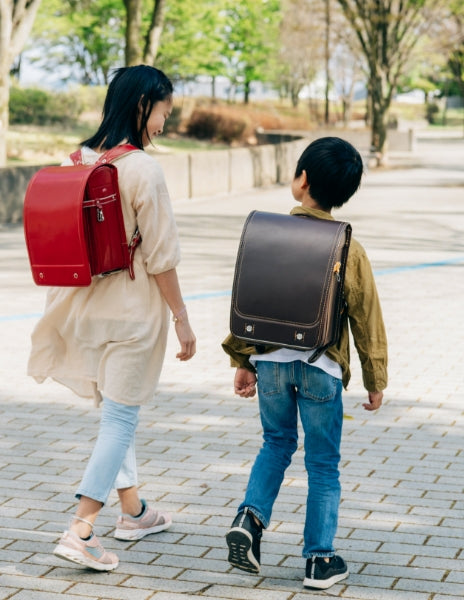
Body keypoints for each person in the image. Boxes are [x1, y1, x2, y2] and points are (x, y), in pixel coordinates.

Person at [27, 65, 197, 572]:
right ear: (144, 104)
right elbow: (162, 257)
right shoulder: (144, 169)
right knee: (121, 419)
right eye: (165, 109)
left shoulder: (74, 159)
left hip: (83, 312)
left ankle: (135, 512)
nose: (167, 121)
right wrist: (182, 319)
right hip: (131, 316)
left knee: (113, 417)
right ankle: (81, 529)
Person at [221, 136, 388, 590]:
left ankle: (249, 520)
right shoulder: (346, 245)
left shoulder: (268, 233)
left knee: (275, 444)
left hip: (271, 363)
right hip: (322, 368)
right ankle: (319, 558)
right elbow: (365, 315)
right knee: (322, 464)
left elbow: (250, 301)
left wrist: (243, 358)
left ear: (302, 181)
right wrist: (375, 378)